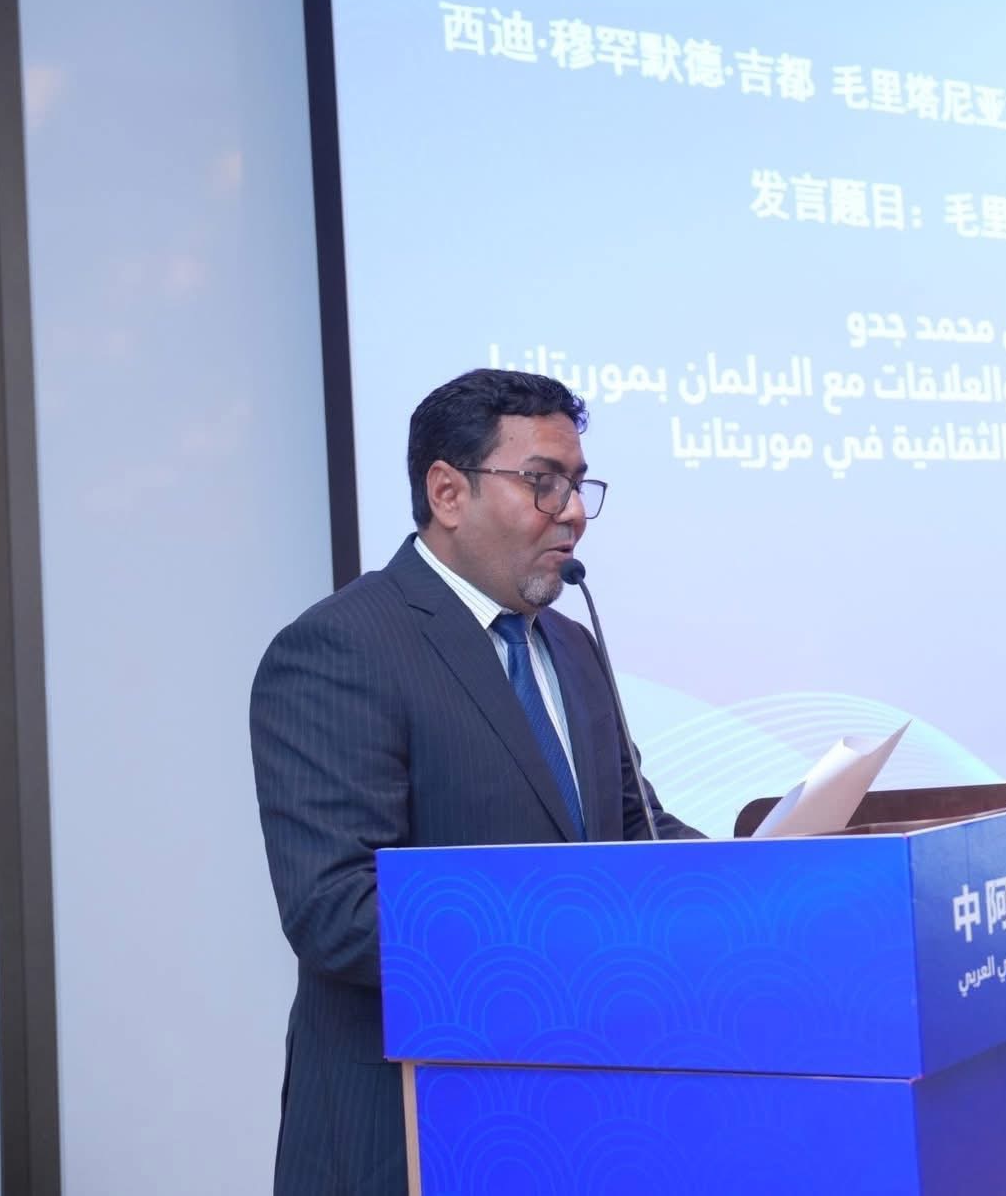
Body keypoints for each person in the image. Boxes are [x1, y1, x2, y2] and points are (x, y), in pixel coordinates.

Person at [250, 368, 700, 1195]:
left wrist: (762, 876)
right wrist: (580, 933)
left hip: (580, 1115)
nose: (572, 510)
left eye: (578, 483)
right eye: (543, 481)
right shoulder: (341, 648)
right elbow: (336, 911)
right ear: (448, 492)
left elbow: (635, 828)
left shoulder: (571, 646)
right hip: (412, 1127)